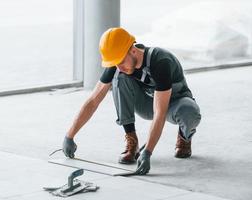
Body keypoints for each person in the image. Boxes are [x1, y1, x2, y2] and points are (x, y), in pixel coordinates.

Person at [62, 27, 201, 175]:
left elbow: (160, 112)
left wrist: (148, 152)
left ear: (133, 51)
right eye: (115, 63)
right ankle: (132, 142)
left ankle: (184, 137)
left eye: (120, 62)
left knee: (190, 111)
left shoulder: (161, 61)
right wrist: (69, 136)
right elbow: (93, 100)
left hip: (175, 105)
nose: (118, 67)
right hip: (148, 104)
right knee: (120, 78)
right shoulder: (119, 64)